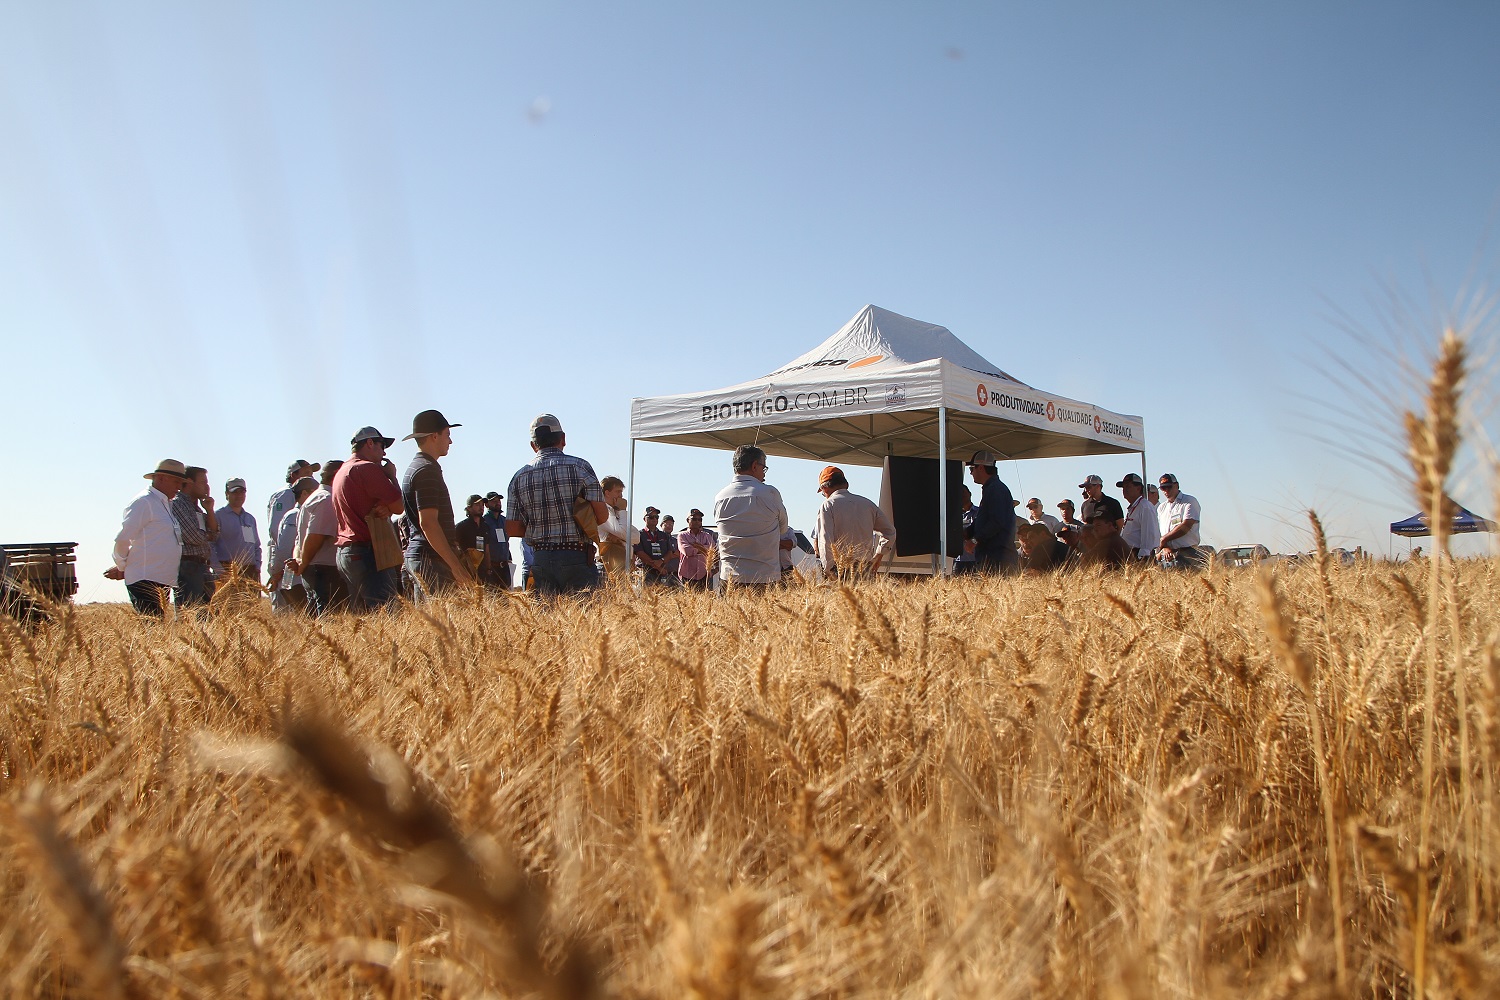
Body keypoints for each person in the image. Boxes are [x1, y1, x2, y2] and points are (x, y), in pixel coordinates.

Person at [505, 413, 609, 597]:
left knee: (548, 621)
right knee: (584, 621)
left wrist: (539, 528)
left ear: (533, 445)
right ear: (563, 439)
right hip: (577, 555)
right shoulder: (580, 466)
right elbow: (601, 516)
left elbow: (512, 528)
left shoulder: (518, 477)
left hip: (541, 558)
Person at [401, 409, 474, 600]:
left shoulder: (416, 467)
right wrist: (455, 565)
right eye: (447, 435)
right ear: (434, 436)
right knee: (443, 625)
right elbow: (428, 523)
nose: (450, 441)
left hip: (422, 556)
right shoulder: (427, 471)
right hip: (431, 560)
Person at [332, 426, 404, 612]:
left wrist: (386, 507)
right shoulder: (367, 469)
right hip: (369, 553)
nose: (384, 452)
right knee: (386, 616)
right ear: (370, 443)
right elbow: (399, 506)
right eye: (381, 445)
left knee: (363, 619)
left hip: (347, 553)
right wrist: (391, 477)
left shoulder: (342, 471)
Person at [105, 460, 189, 616]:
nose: (179, 487)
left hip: (161, 578)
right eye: (177, 481)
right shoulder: (144, 502)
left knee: (157, 631)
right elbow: (123, 538)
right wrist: (123, 566)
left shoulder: (164, 504)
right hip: (145, 578)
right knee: (153, 628)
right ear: (162, 478)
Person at [712, 445, 789, 588]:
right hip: (765, 578)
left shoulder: (720, 497)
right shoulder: (770, 494)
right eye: (763, 468)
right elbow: (783, 529)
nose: (764, 474)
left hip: (729, 579)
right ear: (754, 466)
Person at [813, 466, 896, 578]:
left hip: (840, 570)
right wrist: (878, 556)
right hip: (866, 568)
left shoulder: (828, 505)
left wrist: (829, 569)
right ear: (846, 484)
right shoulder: (868, 504)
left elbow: (825, 540)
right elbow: (890, 532)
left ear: (825, 489)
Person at [288, 461, 347, 615]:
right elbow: (315, 536)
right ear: (336, 476)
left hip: (315, 569)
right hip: (323, 570)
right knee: (328, 618)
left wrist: (299, 560)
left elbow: (299, 540)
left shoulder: (312, 498)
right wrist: (302, 564)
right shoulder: (327, 499)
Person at [172, 466, 220, 608]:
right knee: (190, 612)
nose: (207, 487)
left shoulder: (197, 508)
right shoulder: (178, 503)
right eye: (203, 482)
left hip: (202, 566)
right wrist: (208, 535)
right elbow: (193, 536)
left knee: (206, 615)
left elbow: (215, 533)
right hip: (188, 567)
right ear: (188, 481)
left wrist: (210, 510)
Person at [268, 477, 317, 613]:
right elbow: (284, 549)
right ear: (304, 494)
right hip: (295, 580)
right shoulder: (294, 515)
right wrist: (276, 571)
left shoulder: (305, 514)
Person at [964, 450, 1017, 573]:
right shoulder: (992, 489)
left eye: (972, 469)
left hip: (997, 558)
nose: (971, 473)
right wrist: (967, 532)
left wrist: (974, 540)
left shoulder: (996, 490)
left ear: (981, 468)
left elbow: (996, 522)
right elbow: (987, 520)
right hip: (994, 557)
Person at [267, 459, 320, 563]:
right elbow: (276, 528)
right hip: (285, 555)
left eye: (311, 473)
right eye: (306, 473)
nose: (311, 476)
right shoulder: (286, 494)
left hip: (296, 552)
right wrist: (282, 557)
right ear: (293, 475)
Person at [211, 478, 262, 584]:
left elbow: (256, 546)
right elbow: (210, 545)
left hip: (250, 572)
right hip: (227, 571)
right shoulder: (218, 516)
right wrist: (219, 571)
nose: (239, 495)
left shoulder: (250, 519)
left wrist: (257, 566)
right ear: (226, 494)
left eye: (242, 492)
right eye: (234, 492)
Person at [1156, 473, 1205, 569]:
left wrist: (1164, 539)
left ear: (1176, 485)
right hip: (1168, 554)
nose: (1166, 491)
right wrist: (1164, 547)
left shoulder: (1189, 501)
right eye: (1163, 488)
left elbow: (1186, 526)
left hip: (1187, 552)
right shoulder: (1161, 508)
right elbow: (1160, 532)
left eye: (1168, 487)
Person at [596, 476, 634, 583]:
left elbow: (636, 537)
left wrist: (621, 537)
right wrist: (622, 510)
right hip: (607, 563)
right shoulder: (603, 511)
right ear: (607, 493)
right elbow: (625, 533)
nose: (621, 496)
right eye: (618, 492)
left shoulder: (615, 511)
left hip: (620, 562)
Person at [1117, 473, 1160, 561]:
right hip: (1130, 554)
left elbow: (1148, 534)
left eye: (1128, 486)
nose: (1124, 490)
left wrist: (1143, 557)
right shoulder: (1134, 507)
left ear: (1138, 488)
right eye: (1123, 487)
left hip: (1140, 555)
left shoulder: (1145, 507)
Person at [634, 507, 680, 585]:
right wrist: (657, 566)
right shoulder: (639, 534)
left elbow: (669, 552)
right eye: (651, 517)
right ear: (644, 519)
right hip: (646, 571)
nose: (654, 519)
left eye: (656, 517)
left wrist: (661, 561)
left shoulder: (663, 535)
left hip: (662, 572)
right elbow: (640, 553)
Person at [480, 491, 514, 589]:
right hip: (491, 568)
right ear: (486, 504)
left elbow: (506, 542)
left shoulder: (505, 520)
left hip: (504, 567)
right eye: (493, 501)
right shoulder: (484, 522)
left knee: (505, 600)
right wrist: (487, 567)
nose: (497, 502)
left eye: (498, 500)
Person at [676, 509, 717, 589]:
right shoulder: (682, 535)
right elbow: (686, 551)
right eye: (694, 519)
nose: (697, 521)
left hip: (704, 575)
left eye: (700, 519)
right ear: (688, 520)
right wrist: (704, 548)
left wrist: (695, 546)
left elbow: (713, 550)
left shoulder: (707, 535)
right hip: (687, 575)